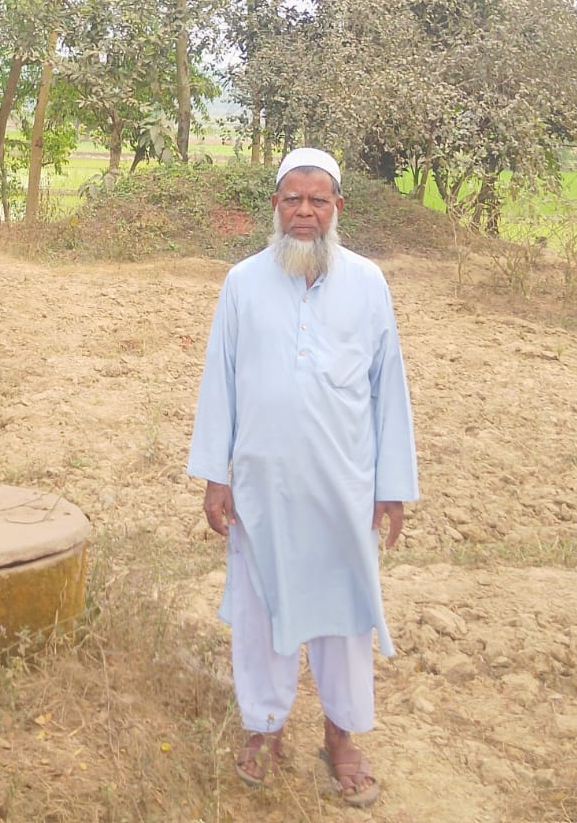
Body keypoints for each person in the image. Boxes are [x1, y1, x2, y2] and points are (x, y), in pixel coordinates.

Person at [188, 147, 418, 809]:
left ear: (338, 207)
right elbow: (220, 380)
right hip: (263, 486)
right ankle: (264, 728)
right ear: (275, 205)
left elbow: (388, 387)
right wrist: (215, 475)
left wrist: (392, 486)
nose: (305, 212)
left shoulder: (369, 282)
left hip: (345, 485)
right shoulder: (242, 282)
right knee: (262, 608)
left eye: (318, 201)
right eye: (293, 199)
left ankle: (341, 737)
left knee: (346, 614)